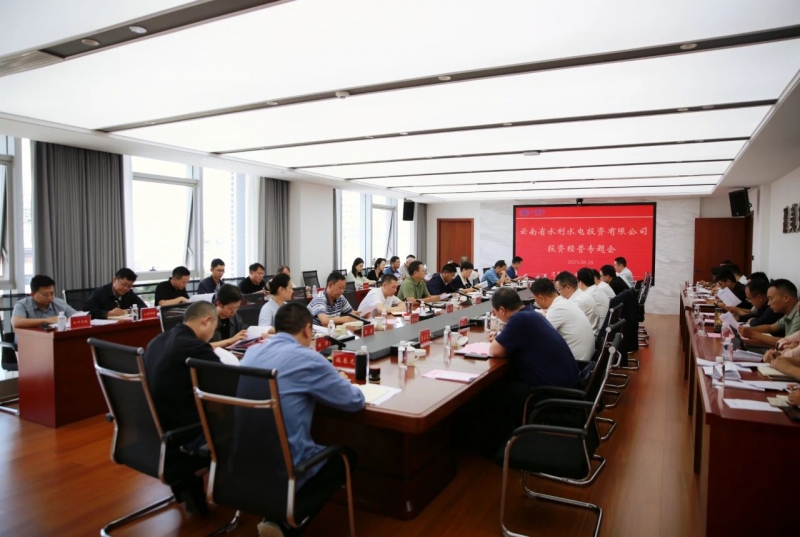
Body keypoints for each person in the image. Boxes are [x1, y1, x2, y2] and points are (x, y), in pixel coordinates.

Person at [236, 303, 364, 535]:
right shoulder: (308, 358)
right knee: (345, 457)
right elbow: (354, 402)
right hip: (285, 463)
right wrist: (342, 381)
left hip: (241, 458)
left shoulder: (252, 352)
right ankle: (282, 524)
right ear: (307, 329)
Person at [142, 301, 220, 515]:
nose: (213, 334)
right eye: (214, 328)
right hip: (183, 433)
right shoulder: (195, 347)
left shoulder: (158, 340)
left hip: (151, 429)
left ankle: (185, 480)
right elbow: (226, 383)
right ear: (206, 320)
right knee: (241, 420)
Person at [489, 288, 579, 389]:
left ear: (502, 310)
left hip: (552, 391)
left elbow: (494, 351)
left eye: (494, 311)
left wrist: (499, 341)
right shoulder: (531, 313)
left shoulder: (519, 319)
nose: (494, 315)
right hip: (567, 383)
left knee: (493, 389)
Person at [531, 278, 595, 362]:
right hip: (585, 357)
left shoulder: (556, 309)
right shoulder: (565, 302)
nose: (536, 303)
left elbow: (539, 338)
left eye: (535, 300)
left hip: (577, 363)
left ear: (541, 298)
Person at [740, 279, 800, 347]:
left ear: (786, 298)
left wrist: (753, 334)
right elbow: (771, 327)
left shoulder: (798, 314)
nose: (768, 303)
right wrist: (746, 331)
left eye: (771, 299)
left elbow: (787, 342)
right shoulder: (789, 313)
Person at [11, 274, 77, 329]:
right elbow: (16, 323)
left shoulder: (60, 303)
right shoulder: (22, 305)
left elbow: (77, 317)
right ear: (32, 294)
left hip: (54, 338)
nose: (49, 297)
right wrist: (47, 320)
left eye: (52, 293)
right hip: (29, 339)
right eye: (45, 295)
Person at [210, 284, 249, 349]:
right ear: (219, 304)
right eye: (231, 309)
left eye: (237, 308)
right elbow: (202, 346)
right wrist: (231, 340)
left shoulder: (235, 317)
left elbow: (245, 330)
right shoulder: (208, 319)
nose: (234, 312)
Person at [578, 268, 610, 333]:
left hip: (600, 331)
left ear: (581, 282)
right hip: (605, 327)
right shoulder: (595, 289)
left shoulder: (588, 295)